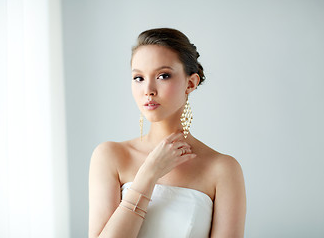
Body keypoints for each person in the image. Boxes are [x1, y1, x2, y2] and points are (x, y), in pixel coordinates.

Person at [88, 28, 246, 238]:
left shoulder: (223, 169)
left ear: (191, 83)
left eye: (163, 76)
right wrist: (149, 174)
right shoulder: (110, 156)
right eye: (138, 78)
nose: (148, 90)